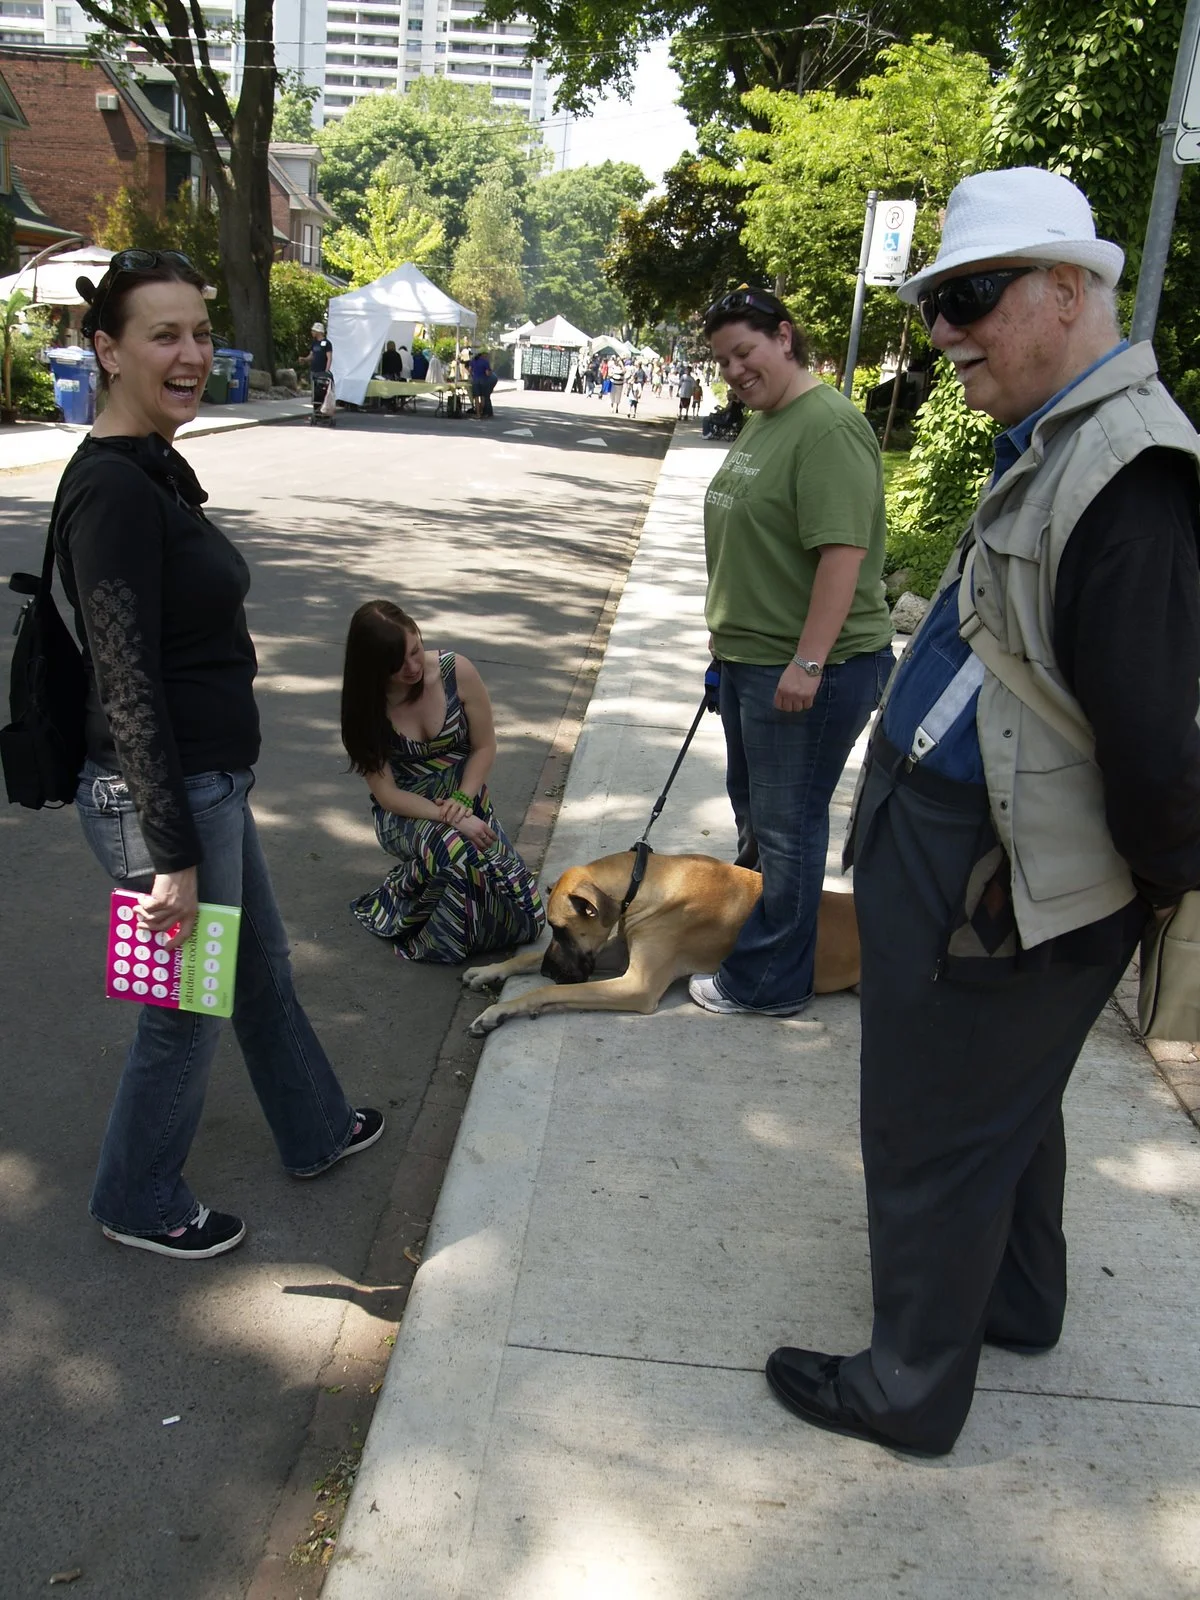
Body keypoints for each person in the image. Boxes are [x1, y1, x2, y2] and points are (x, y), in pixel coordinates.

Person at [764, 167, 1200, 1457]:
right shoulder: (1064, 438)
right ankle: (1014, 1300)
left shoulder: (1132, 477)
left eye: (972, 299)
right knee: (1003, 1099)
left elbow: (1158, 746)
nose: (946, 332)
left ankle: (907, 1385)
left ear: (1068, 289)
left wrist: (1133, 893)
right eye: (935, 304)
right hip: (963, 843)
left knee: (930, 1120)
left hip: (1001, 869)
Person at [56, 251, 383, 1260]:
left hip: (205, 786)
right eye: (164, 335)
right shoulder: (114, 489)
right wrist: (174, 854)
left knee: (258, 970)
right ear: (108, 351)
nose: (192, 353)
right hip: (162, 800)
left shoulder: (152, 464)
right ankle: (137, 1196)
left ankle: (315, 1126)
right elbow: (126, 682)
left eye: (200, 332)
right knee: (185, 1009)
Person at [690, 286, 894, 1019]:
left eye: (744, 352)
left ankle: (770, 981)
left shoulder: (828, 426)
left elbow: (843, 555)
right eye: (722, 361)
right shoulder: (768, 418)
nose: (734, 371)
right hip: (752, 661)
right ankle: (758, 939)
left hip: (813, 669)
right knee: (760, 816)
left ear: (784, 337)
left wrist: (807, 663)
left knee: (788, 827)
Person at [341, 601, 544, 962]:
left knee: (529, 914)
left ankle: (417, 882)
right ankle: (439, 936)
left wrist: (463, 802)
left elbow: (484, 747)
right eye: (396, 664)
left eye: (415, 651)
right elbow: (387, 794)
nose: (412, 667)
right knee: (457, 852)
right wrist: (451, 819)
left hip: (465, 799)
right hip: (407, 814)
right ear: (373, 666)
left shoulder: (456, 671)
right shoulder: (365, 707)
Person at [468, 347, 495, 418]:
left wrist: (472, 376)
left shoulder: (473, 361)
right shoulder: (485, 362)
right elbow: (487, 373)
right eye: (486, 354)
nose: (487, 355)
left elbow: (470, 370)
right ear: (483, 354)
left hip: (475, 380)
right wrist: (490, 372)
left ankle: (478, 414)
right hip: (483, 381)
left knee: (476, 398)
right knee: (483, 398)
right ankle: (481, 411)